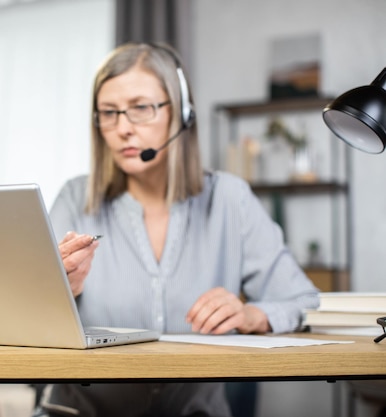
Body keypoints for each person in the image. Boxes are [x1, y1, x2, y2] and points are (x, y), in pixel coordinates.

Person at [36, 42, 319, 417]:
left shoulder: (230, 199)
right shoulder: (75, 197)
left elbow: (303, 302)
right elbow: (28, 319)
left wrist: (254, 316)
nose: (122, 128)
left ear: (182, 114)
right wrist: (60, 292)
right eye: (108, 113)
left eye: (140, 108)